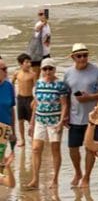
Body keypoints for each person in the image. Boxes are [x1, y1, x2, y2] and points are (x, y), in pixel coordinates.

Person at [63, 43, 98, 188]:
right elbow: (65, 95)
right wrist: (65, 114)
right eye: (79, 56)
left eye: (85, 55)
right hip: (74, 117)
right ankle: (78, 172)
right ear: (73, 57)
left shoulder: (96, 71)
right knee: (73, 148)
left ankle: (87, 177)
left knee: (90, 148)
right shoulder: (67, 73)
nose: (82, 58)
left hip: (94, 117)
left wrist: (91, 97)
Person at [27, 57, 68, 189]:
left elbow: (64, 105)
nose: (48, 71)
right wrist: (32, 123)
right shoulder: (38, 84)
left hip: (54, 121)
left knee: (55, 150)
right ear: (42, 70)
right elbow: (36, 105)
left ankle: (55, 179)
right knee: (35, 148)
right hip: (40, 120)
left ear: (54, 69)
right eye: (45, 69)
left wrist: (61, 121)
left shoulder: (60, 85)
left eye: (50, 68)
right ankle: (35, 179)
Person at [11, 53, 33, 147]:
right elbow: (11, 83)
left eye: (29, 62)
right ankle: (22, 140)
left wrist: (35, 100)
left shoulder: (33, 74)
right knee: (20, 121)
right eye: (26, 62)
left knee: (30, 120)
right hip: (20, 98)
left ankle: (32, 139)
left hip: (30, 99)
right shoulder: (17, 73)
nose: (29, 64)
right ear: (21, 64)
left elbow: (36, 87)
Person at [0, 58, 15, 151]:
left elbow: (11, 110)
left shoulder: (9, 86)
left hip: (4, 131)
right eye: (4, 69)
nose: (6, 71)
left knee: (1, 160)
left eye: (7, 68)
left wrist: (13, 132)